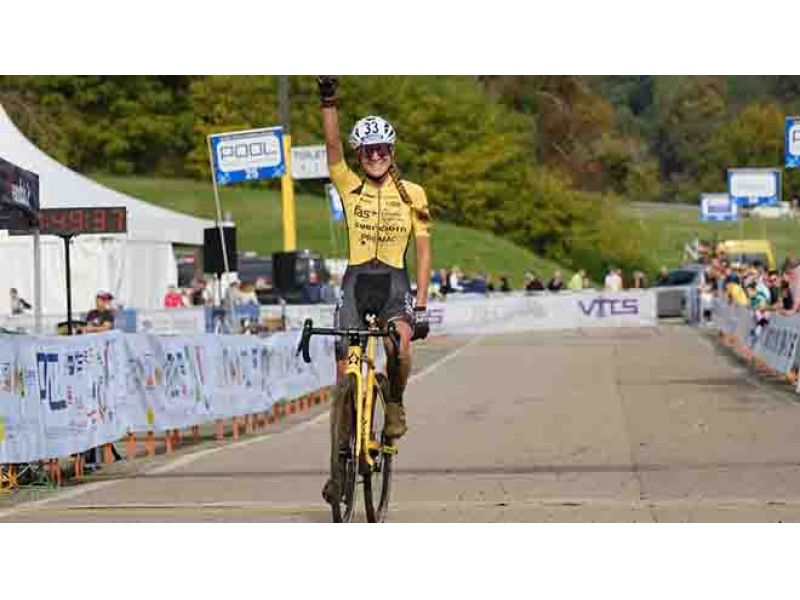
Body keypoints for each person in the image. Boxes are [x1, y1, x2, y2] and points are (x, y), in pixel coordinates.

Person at [318, 76, 432, 505]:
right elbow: (331, 151)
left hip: (393, 282)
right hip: (355, 282)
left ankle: (396, 402)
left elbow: (423, 251)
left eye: (383, 149)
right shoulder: (350, 186)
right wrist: (329, 103)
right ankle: (340, 461)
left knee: (399, 341)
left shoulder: (412, 193)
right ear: (360, 155)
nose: (377, 156)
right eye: (369, 151)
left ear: (392, 152)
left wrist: (420, 305)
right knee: (343, 375)